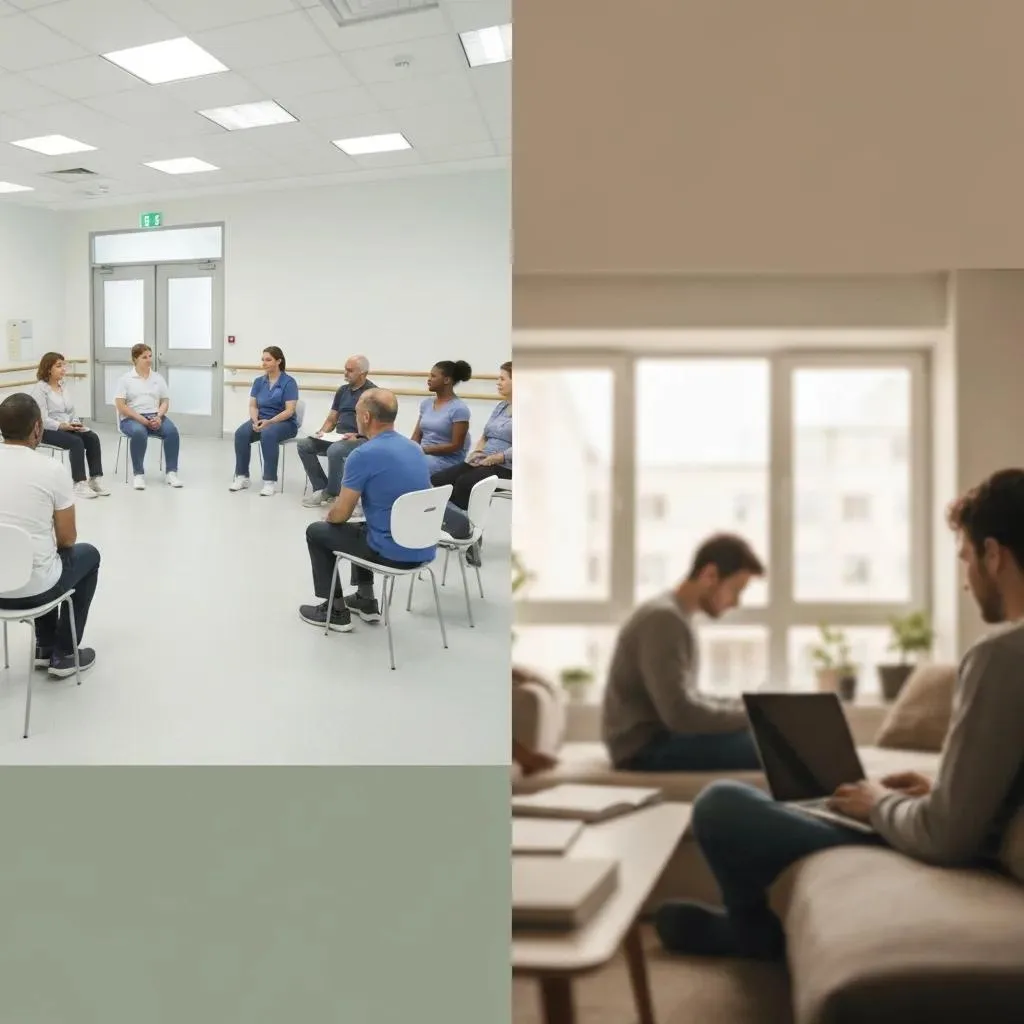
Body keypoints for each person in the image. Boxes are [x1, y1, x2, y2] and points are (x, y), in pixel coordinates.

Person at [654, 467, 1024, 963]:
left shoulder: (1002, 656)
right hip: (974, 832)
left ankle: (748, 927)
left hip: (959, 844)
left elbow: (946, 838)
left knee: (721, 804)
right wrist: (942, 791)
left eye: (966, 559)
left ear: (994, 554)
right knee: (811, 793)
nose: (965, 582)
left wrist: (877, 804)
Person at [602, 533, 766, 773]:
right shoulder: (664, 619)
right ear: (710, 575)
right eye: (735, 590)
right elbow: (680, 714)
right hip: (644, 748)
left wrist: (748, 707)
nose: (736, 603)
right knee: (772, 747)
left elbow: (690, 699)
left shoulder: (676, 616)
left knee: (770, 739)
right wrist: (752, 716)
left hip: (658, 738)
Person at [300, 388, 437, 632]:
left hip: (392, 553)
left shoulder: (362, 455)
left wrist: (330, 515)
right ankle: (366, 600)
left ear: (365, 418)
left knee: (318, 531)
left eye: (356, 413)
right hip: (423, 547)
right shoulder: (414, 448)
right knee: (360, 527)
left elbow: (340, 514)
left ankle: (335, 610)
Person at [0, 393, 99, 677]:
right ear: (37, 429)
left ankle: (44, 646)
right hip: (33, 592)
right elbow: (67, 539)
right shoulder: (51, 469)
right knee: (86, 555)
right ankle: (64, 652)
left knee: (42, 555)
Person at [430, 361, 512, 565]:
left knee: (466, 484)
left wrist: (497, 457)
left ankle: (469, 535)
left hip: (507, 465)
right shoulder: (502, 406)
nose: (498, 383)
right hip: (486, 460)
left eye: (502, 378)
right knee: (439, 479)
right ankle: (458, 526)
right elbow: (485, 434)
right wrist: (477, 452)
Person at [298, 354, 376, 508]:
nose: (346, 373)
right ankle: (321, 488)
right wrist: (321, 433)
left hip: (360, 438)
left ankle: (333, 492)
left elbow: (374, 426)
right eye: (345, 370)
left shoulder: (372, 393)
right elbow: (332, 419)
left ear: (363, 373)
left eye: (350, 370)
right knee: (304, 444)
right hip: (338, 437)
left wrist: (358, 435)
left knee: (335, 450)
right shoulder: (342, 391)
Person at [31, 351, 110, 500]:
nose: (63, 369)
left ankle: (94, 479)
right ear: (48, 369)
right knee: (76, 442)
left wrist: (76, 423)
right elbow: (42, 418)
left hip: (67, 426)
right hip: (48, 430)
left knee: (92, 437)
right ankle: (79, 482)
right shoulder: (40, 389)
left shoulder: (63, 386)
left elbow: (71, 410)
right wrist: (62, 425)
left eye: (64, 365)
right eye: (59, 366)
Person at [229, 346, 299, 497]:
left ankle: (269, 482)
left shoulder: (289, 382)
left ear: (278, 361)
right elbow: (253, 405)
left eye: (268, 360)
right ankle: (242, 476)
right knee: (241, 434)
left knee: (268, 434)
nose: (264, 363)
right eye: (263, 359)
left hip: (284, 422)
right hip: (261, 420)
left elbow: (289, 410)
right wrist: (255, 421)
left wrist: (270, 422)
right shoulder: (259, 382)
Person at [114, 344, 183, 490]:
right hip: (131, 418)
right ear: (135, 359)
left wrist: (158, 416)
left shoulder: (157, 378)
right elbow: (121, 406)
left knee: (172, 431)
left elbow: (165, 401)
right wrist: (141, 419)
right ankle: (138, 474)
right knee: (139, 432)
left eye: (150, 356)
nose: (149, 360)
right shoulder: (125, 379)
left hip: (155, 415)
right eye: (144, 357)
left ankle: (171, 472)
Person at [410, 360, 472, 474]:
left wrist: (425, 450)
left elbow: (456, 445)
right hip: (424, 454)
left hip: (447, 460)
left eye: (433, 376)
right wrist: (410, 449)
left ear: (447, 380)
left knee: (411, 467)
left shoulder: (459, 409)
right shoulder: (426, 404)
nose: (428, 379)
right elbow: (416, 436)